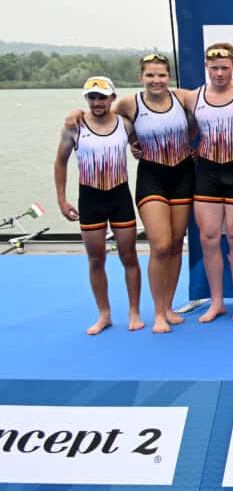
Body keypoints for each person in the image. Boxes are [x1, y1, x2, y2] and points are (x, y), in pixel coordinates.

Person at [64, 54, 191, 334]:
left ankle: (169, 306)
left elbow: (213, 98)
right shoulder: (128, 103)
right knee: (160, 245)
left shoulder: (183, 97)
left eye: (161, 75)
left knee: (175, 244)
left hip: (183, 176)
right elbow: (98, 115)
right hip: (151, 178)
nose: (156, 80)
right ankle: (158, 313)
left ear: (169, 77)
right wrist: (75, 113)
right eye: (150, 75)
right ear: (141, 78)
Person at [54, 76, 143, 334]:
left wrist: (137, 151)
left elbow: (139, 146)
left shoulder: (125, 125)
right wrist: (61, 199)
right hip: (90, 199)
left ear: (112, 98)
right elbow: (60, 162)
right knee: (96, 259)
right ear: (86, 100)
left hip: (119, 197)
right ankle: (104, 314)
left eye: (102, 97)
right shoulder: (74, 127)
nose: (97, 102)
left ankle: (134, 312)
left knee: (129, 256)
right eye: (92, 98)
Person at [184, 43, 233, 322]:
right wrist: (135, 143)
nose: (220, 73)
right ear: (206, 68)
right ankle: (217, 302)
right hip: (208, 173)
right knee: (209, 238)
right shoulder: (192, 97)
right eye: (214, 68)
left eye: (225, 67)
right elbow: (155, 110)